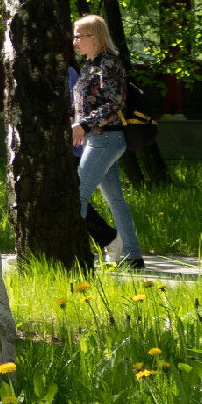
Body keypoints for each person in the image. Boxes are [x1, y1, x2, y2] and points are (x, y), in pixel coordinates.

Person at [71, 14, 144, 270]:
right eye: (75, 35)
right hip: (97, 139)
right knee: (115, 199)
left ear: (95, 37)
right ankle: (132, 257)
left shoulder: (109, 64)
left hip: (106, 139)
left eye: (79, 36)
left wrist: (83, 124)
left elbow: (115, 103)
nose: (75, 41)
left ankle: (75, 256)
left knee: (76, 196)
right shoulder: (89, 65)